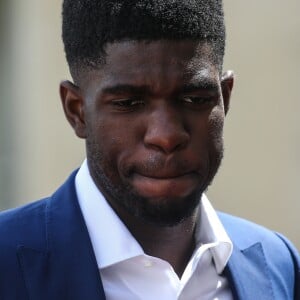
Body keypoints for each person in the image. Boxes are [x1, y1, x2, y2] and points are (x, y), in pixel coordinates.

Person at [0, 0, 299, 299]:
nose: (166, 136)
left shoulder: (277, 266)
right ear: (77, 111)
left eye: (195, 99)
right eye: (128, 103)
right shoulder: (8, 260)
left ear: (225, 98)